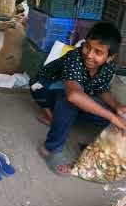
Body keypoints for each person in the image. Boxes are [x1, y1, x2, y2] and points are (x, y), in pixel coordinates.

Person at [30, 22, 126, 176]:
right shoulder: (74, 57)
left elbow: (101, 90)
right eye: (88, 47)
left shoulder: (107, 68)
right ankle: (49, 149)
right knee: (70, 101)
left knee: (111, 113)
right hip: (45, 90)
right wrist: (113, 117)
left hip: (77, 92)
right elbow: (73, 95)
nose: (89, 54)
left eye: (98, 52)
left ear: (110, 57)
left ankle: (94, 145)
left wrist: (117, 106)